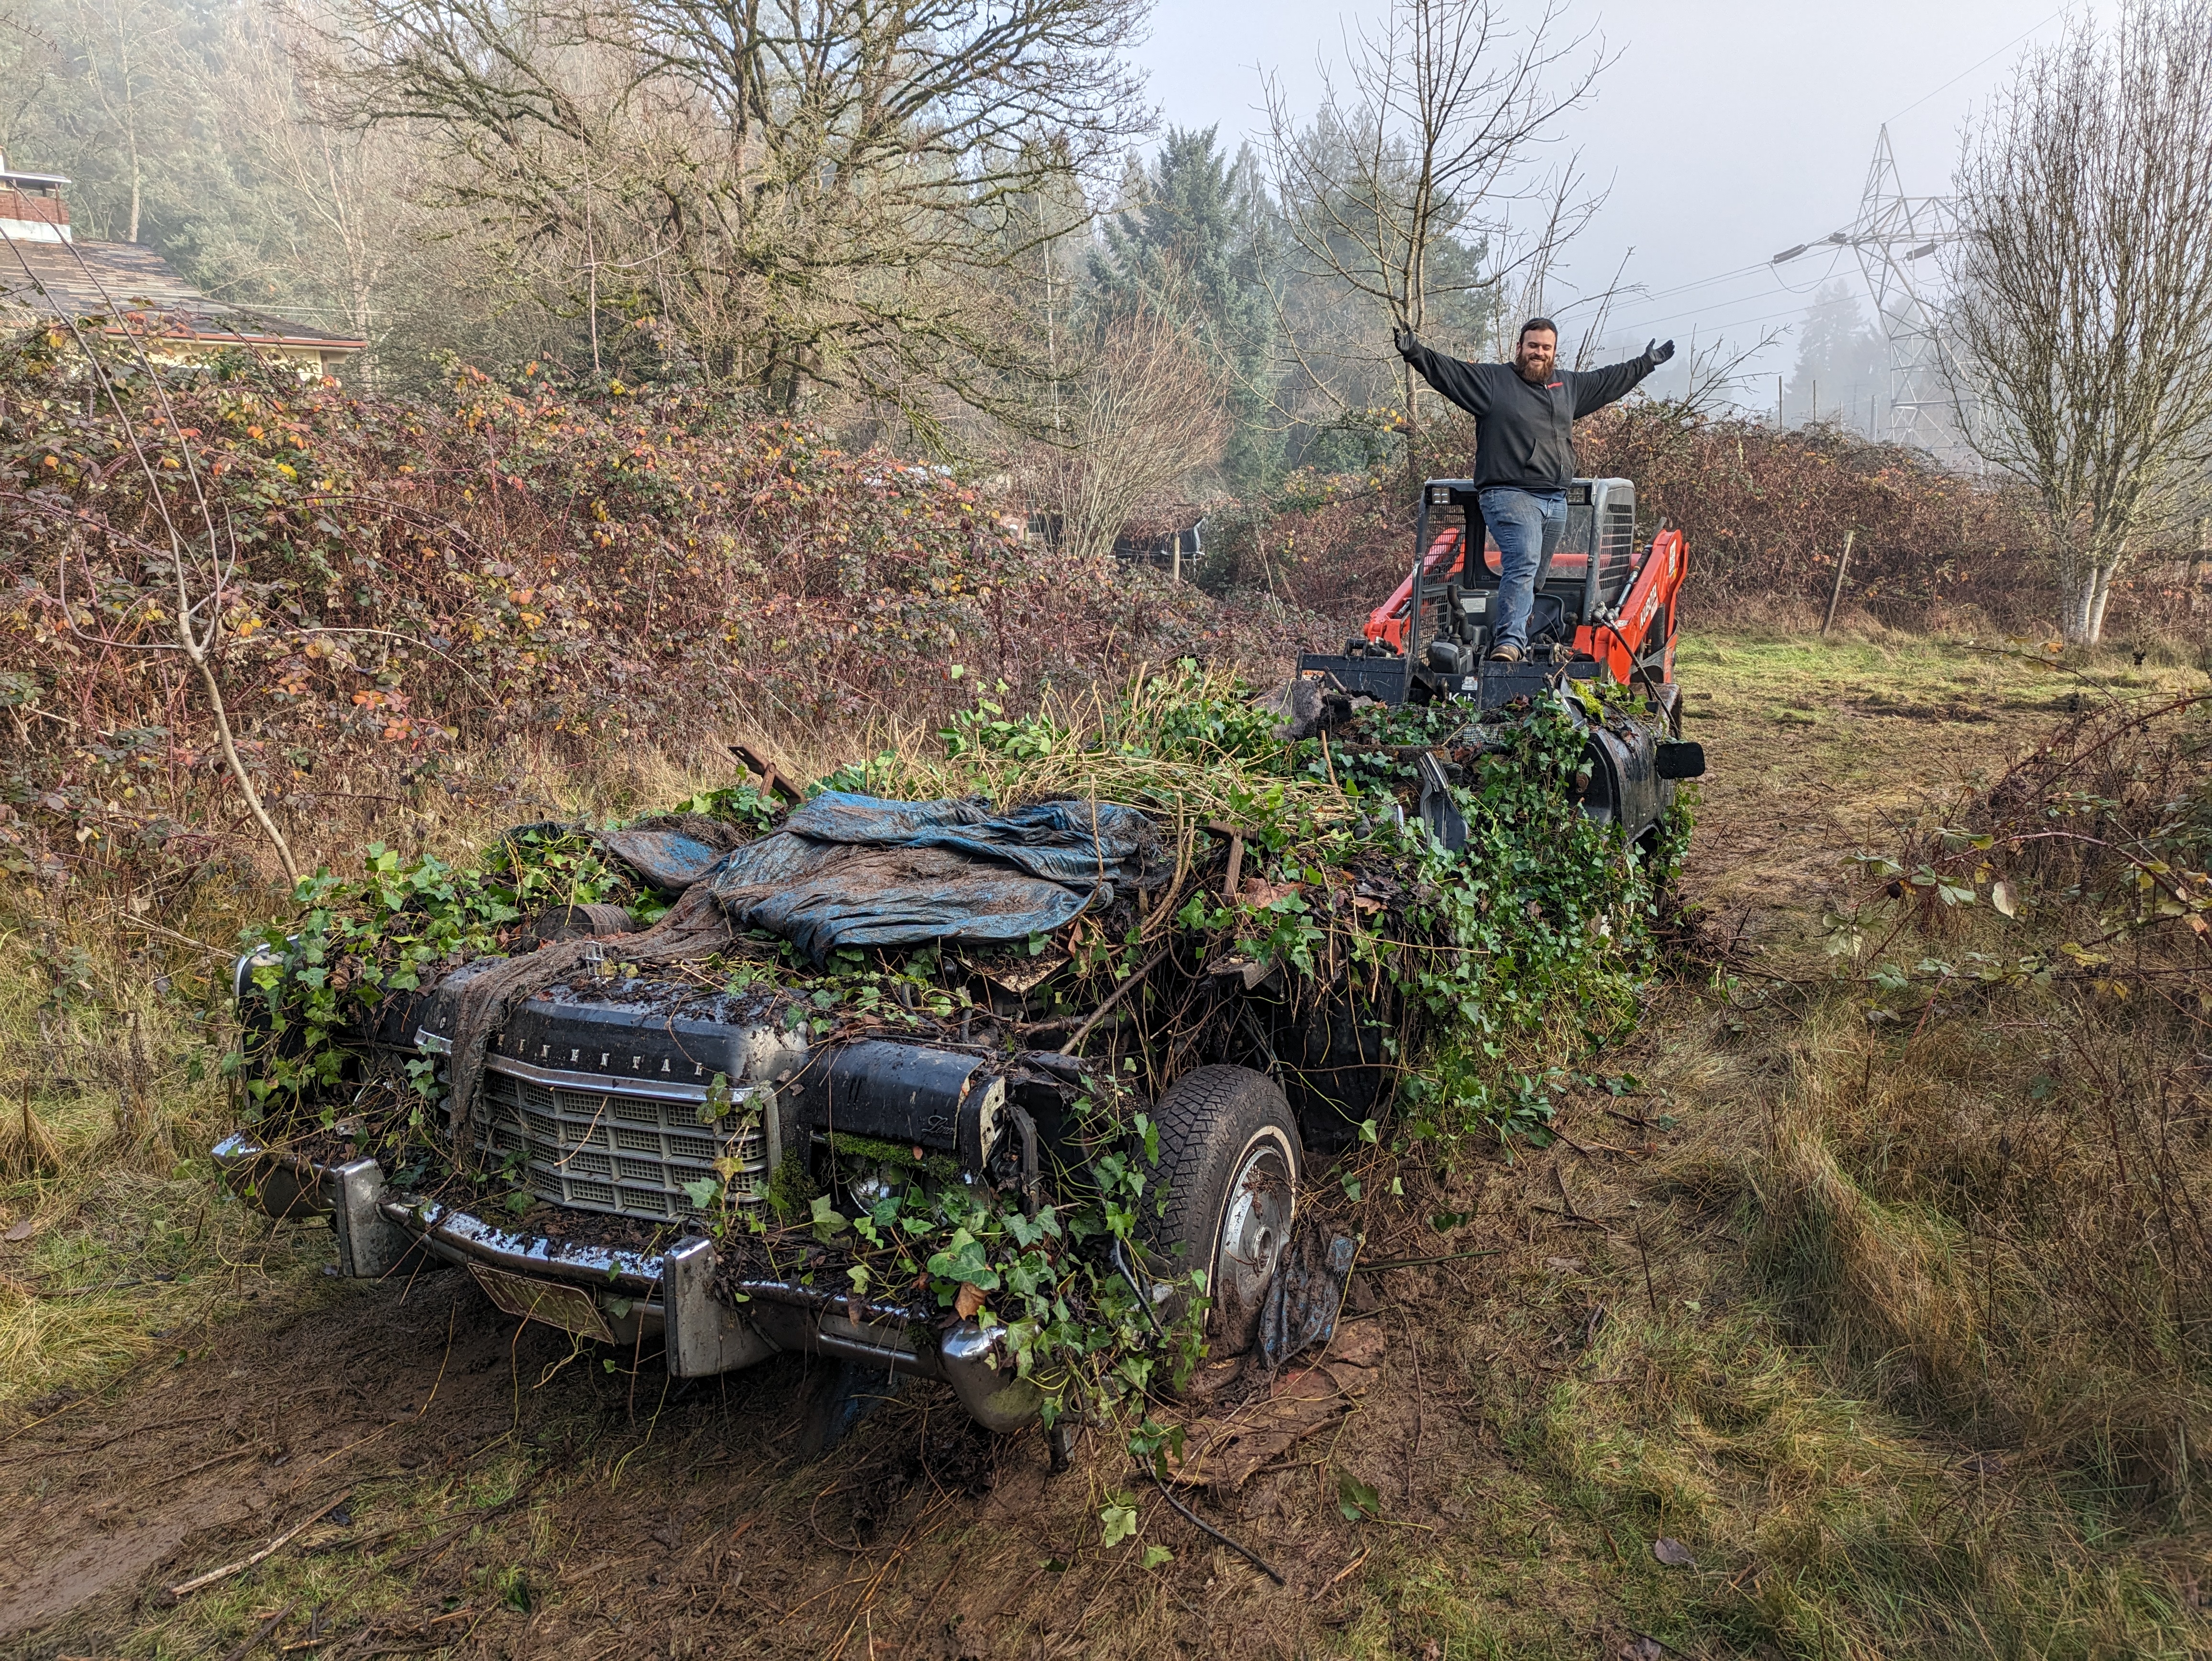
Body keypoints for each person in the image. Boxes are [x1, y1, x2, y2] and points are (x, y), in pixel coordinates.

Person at [1393, 319, 1674, 663]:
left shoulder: (1567, 386)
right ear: (1520, 348)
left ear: (1554, 352)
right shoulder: (1495, 382)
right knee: (1524, 562)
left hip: (1555, 500)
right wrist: (1416, 353)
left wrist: (1644, 364)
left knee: (1535, 577)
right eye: (1533, 346)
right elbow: (1451, 375)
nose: (1539, 353)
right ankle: (1509, 645)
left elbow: (1606, 382)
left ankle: (1522, 633)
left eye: (1546, 347)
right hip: (1509, 495)